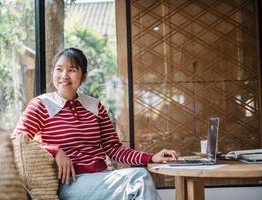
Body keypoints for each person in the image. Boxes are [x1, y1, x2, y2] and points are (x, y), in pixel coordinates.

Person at [13, 47, 178, 200]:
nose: (64, 75)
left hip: (102, 176)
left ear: (83, 76)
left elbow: (114, 149)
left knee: (138, 181)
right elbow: (17, 141)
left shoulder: (94, 106)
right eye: (59, 69)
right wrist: (55, 150)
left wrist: (151, 157)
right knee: (139, 178)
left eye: (72, 70)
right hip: (70, 183)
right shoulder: (41, 104)